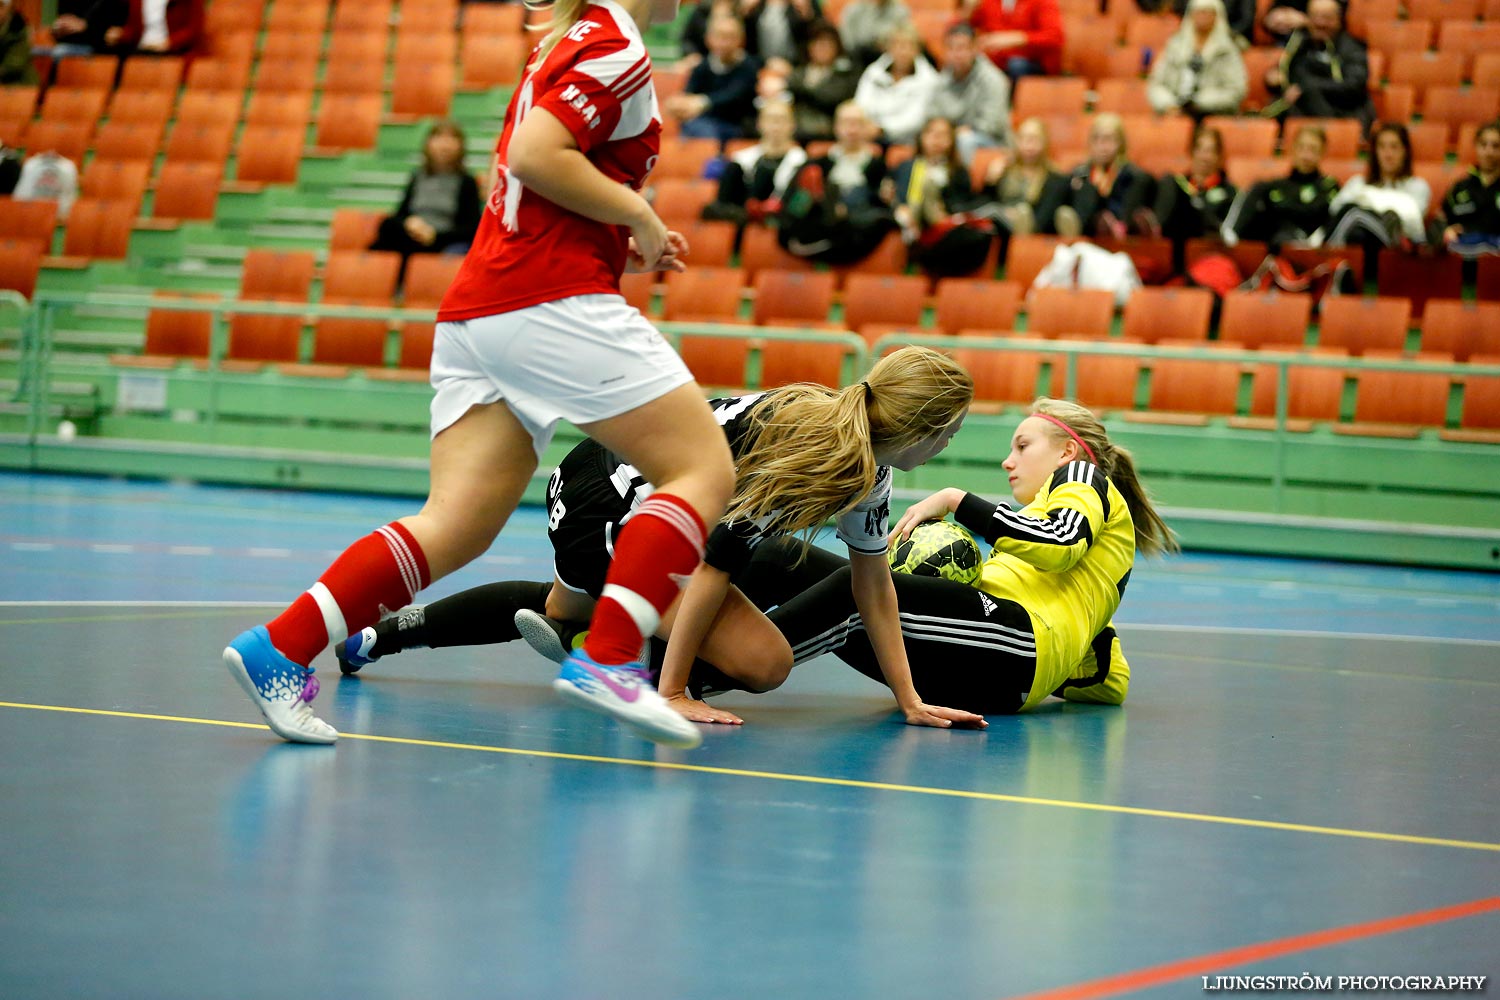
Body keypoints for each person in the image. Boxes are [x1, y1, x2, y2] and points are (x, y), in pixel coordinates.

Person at [221, 0, 737, 749]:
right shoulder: (616, 44)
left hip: (481, 305)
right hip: (546, 297)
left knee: (455, 525)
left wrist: (613, 235)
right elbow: (535, 155)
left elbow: (536, 181)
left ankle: (281, 646)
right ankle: (613, 658)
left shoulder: (571, 39)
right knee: (701, 467)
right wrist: (642, 215)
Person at [340, 346, 987, 732]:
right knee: (584, 610)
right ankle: (608, 654)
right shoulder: (811, 449)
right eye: (949, 431)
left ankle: (384, 637)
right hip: (603, 496)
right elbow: (713, 568)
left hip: (636, 499)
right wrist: (675, 693)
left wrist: (911, 700)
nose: (950, 444)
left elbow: (872, 586)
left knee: (584, 611)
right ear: (919, 428)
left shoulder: (866, 467)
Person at [731, 396, 1178, 716]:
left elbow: (1057, 543)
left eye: (1022, 446)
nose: (1008, 461)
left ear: (1068, 451)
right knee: (777, 555)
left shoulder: (1083, 476)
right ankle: (666, 660)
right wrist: (1081, 629)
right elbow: (1109, 683)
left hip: (1015, 645)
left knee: (856, 593)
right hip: (992, 654)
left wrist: (955, 499)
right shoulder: (1084, 591)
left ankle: (693, 677)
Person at [776, 100, 898, 264]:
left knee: (874, 215)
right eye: (847, 123)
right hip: (817, 223)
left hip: (855, 232)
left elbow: (886, 211)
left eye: (858, 123)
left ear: (868, 128)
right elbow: (791, 208)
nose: (852, 129)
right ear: (836, 127)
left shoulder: (879, 168)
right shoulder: (816, 165)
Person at [369, 120, 483, 286]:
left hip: (441, 240)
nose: (444, 145)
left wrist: (434, 235)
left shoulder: (467, 182)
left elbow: (471, 228)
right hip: (413, 234)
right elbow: (401, 213)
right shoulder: (418, 176)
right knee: (385, 228)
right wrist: (409, 223)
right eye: (439, 138)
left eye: (451, 139)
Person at [883, 116, 993, 277]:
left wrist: (945, 212)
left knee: (977, 235)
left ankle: (928, 210)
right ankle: (920, 214)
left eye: (943, 135)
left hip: (942, 225)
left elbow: (964, 202)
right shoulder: (906, 166)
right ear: (921, 137)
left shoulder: (957, 171)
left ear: (952, 141)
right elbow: (891, 194)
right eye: (932, 134)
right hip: (907, 220)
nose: (937, 140)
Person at [1221, 122, 1340, 248]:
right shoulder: (1274, 186)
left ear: (1322, 152)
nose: (1306, 155)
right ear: (1292, 148)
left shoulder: (1329, 186)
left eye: (1313, 149)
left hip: (1315, 248)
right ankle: (1230, 236)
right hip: (1278, 245)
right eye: (1302, 147)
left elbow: (1332, 221)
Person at [1262, 0, 1372, 130]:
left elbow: (1354, 86)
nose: (1320, 23)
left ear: (1339, 19)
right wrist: (1275, 78)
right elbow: (1287, 74)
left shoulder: (1352, 48)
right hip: (1302, 111)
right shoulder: (1301, 44)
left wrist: (1309, 86)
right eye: (1315, 17)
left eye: (1327, 18)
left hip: (1341, 111)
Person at [701, 99, 807, 230]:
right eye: (770, 119)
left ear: (793, 125)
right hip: (740, 218)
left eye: (781, 120)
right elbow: (723, 201)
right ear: (759, 124)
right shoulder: (740, 160)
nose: (775, 125)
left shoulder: (803, 162)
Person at [1324, 122, 1429, 251]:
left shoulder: (1417, 186)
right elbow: (1336, 209)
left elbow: (1411, 220)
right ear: (1375, 152)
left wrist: (1364, 199)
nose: (1388, 154)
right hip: (1363, 242)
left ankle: (1322, 257)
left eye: (1394, 147)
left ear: (1405, 151)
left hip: (1402, 248)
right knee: (1357, 231)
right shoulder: (1358, 182)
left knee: (1354, 212)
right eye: (1382, 147)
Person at [1053, 113, 1156, 240]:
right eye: (1096, 139)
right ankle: (1075, 228)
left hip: (1121, 223)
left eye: (1108, 139)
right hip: (1089, 224)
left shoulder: (1129, 172)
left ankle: (1117, 227)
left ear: (1120, 142)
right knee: (1082, 186)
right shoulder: (1082, 172)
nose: (1102, 145)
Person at [1150, 126, 1237, 270]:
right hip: (1174, 235)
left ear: (1219, 156)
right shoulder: (1177, 184)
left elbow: (1224, 228)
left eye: (1210, 151)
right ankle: (1153, 229)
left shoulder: (1229, 191)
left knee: (1192, 206)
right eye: (1200, 149)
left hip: (1206, 238)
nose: (1204, 156)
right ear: (1192, 152)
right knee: (1167, 180)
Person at [925, 22, 1012, 165]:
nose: (957, 54)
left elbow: (992, 124)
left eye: (962, 48)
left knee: (964, 140)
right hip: (950, 136)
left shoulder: (993, 80)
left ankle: (963, 185)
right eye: (951, 48)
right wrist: (942, 133)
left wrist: (961, 131)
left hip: (992, 141)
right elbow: (932, 115)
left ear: (974, 49)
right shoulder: (941, 80)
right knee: (929, 138)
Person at [1145, 0, 1248, 120]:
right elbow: (1156, 83)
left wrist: (1198, 102)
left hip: (1213, 113)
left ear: (1217, 16)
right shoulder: (1175, 45)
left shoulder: (1227, 49)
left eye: (1207, 12)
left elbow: (1236, 90)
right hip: (1174, 111)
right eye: (1199, 12)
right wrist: (1168, 104)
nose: (1202, 17)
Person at [666, 13, 761, 143]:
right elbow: (689, 94)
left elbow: (734, 95)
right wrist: (680, 104)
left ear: (741, 40)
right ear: (708, 39)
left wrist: (702, 103)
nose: (724, 43)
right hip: (701, 123)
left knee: (704, 133)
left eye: (730, 37)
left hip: (735, 127)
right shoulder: (702, 66)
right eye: (720, 36)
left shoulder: (748, 67)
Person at [973, 115, 1068, 238]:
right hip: (1001, 225)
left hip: (1035, 227)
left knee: (1016, 212)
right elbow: (987, 199)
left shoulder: (1054, 177)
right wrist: (990, 181)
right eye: (1024, 139)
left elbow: (1045, 215)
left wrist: (1019, 215)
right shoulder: (1004, 168)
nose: (1029, 145)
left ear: (1045, 142)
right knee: (992, 211)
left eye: (1034, 139)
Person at [853, 22, 940, 147]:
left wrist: (882, 129)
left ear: (917, 49)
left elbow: (916, 119)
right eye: (897, 45)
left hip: (907, 140)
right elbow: (860, 103)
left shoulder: (929, 79)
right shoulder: (874, 72)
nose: (902, 51)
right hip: (869, 133)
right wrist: (866, 125)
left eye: (908, 45)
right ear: (888, 48)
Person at [776, 19, 860, 143]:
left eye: (827, 44)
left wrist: (793, 87)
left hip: (827, 136)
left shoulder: (845, 74)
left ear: (837, 47)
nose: (822, 48)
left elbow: (829, 98)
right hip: (795, 133)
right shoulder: (798, 74)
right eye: (817, 43)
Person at [1434, 121, 1500, 259]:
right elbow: (1442, 220)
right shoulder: (1460, 188)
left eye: (1496, 146)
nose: (1489, 151)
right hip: (1461, 250)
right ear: (1476, 147)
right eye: (1484, 145)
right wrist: (1447, 230)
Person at [963, 0, 1064, 80]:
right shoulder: (989, 2)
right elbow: (965, 27)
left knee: (1016, 65)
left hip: (1031, 61)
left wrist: (1018, 38)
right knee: (966, 57)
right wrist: (969, 9)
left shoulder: (1042, 2)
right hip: (998, 58)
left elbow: (1055, 37)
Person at [103, 0, 203, 54]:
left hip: (173, 52)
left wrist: (169, 43)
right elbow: (134, 30)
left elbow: (194, 29)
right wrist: (121, 34)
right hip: (140, 50)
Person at [837, 0, 910, 68]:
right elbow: (847, 41)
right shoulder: (853, 10)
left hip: (886, 58)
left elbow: (903, 37)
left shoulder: (900, 11)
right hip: (857, 58)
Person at [1, 0, 38, 85]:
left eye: (0, 6)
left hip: (20, 85)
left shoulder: (18, 29)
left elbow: (14, 65)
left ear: (9, 8)